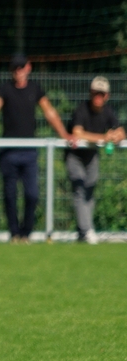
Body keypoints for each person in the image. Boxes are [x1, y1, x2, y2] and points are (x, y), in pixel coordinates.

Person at [0, 54, 74, 242]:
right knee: (10, 195)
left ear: (28, 68)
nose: (18, 72)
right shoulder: (4, 90)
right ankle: (14, 233)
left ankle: (26, 233)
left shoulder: (35, 89)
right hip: (8, 151)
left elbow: (49, 112)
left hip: (29, 151)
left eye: (21, 67)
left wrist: (64, 135)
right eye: (15, 68)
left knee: (32, 194)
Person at [64, 76, 124, 244]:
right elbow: (77, 133)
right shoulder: (81, 110)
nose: (98, 97)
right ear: (90, 93)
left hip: (92, 156)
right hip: (74, 156)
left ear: (107, 96)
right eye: (95, 93)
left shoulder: (108, 112)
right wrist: (103, 137)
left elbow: (121, 132)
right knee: (79, 189)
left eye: (101, 94)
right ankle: (87, 230)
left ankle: (83, 232)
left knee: (89, 191)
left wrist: (115, 136)